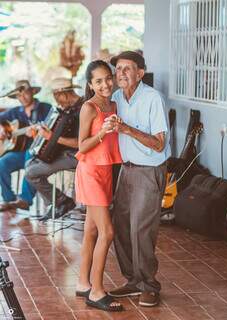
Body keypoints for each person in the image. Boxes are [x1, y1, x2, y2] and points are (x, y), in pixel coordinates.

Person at [106, 51, 169, 307]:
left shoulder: (153, 98)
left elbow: (158, 144)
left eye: (127, 69)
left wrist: (127, 129)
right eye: (118, 68)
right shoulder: (116, 97)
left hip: (148, 169)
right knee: (120, 226)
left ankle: (149, 285)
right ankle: (133, 280)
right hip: (126, 169)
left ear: (140, 73)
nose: (121, 73)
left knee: (140, 229)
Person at [75, 60, 123, 312]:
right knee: (108, 232)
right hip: (90, 173)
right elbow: (81, 146)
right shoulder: (89, 107)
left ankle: (83, 283)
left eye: (108, 78)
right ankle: (96, 291)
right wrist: (103, 131)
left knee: (92, 231)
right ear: (90, 84)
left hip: (106, 172)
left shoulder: (113, 104)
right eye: (98, 81)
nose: (105, 84)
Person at [25, 78, 83, 220]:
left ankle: (62, 202)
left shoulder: (83, 108)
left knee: (31, 172)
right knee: (30, 164)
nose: (57, 103)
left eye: (58, 98)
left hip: (77, 155)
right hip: (65, 152)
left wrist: (51, 137)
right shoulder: (68, 109)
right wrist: (41, 134)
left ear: (64, 94)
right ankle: (58, 203)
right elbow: (60, 131)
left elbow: (80, 143)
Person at [0, 80, 51, 211]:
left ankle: (25, 200)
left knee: (30, 156)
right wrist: (2, 129)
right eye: (18, 95)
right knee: (2, 162)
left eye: (25, 93)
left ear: (32, 92)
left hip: (40, 153)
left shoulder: (45, 108)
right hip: (21, 153)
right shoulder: (15, 111)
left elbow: (53, 129)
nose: (22, 97)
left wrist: (39, 134)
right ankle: (9, 200)